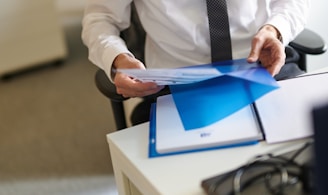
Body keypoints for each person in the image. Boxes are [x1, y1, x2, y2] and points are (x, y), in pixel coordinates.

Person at [82, 0, 310, 125]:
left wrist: (276, 29)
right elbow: (100, 19)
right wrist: (117, 59)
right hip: (174, 83)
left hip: (263, 66)